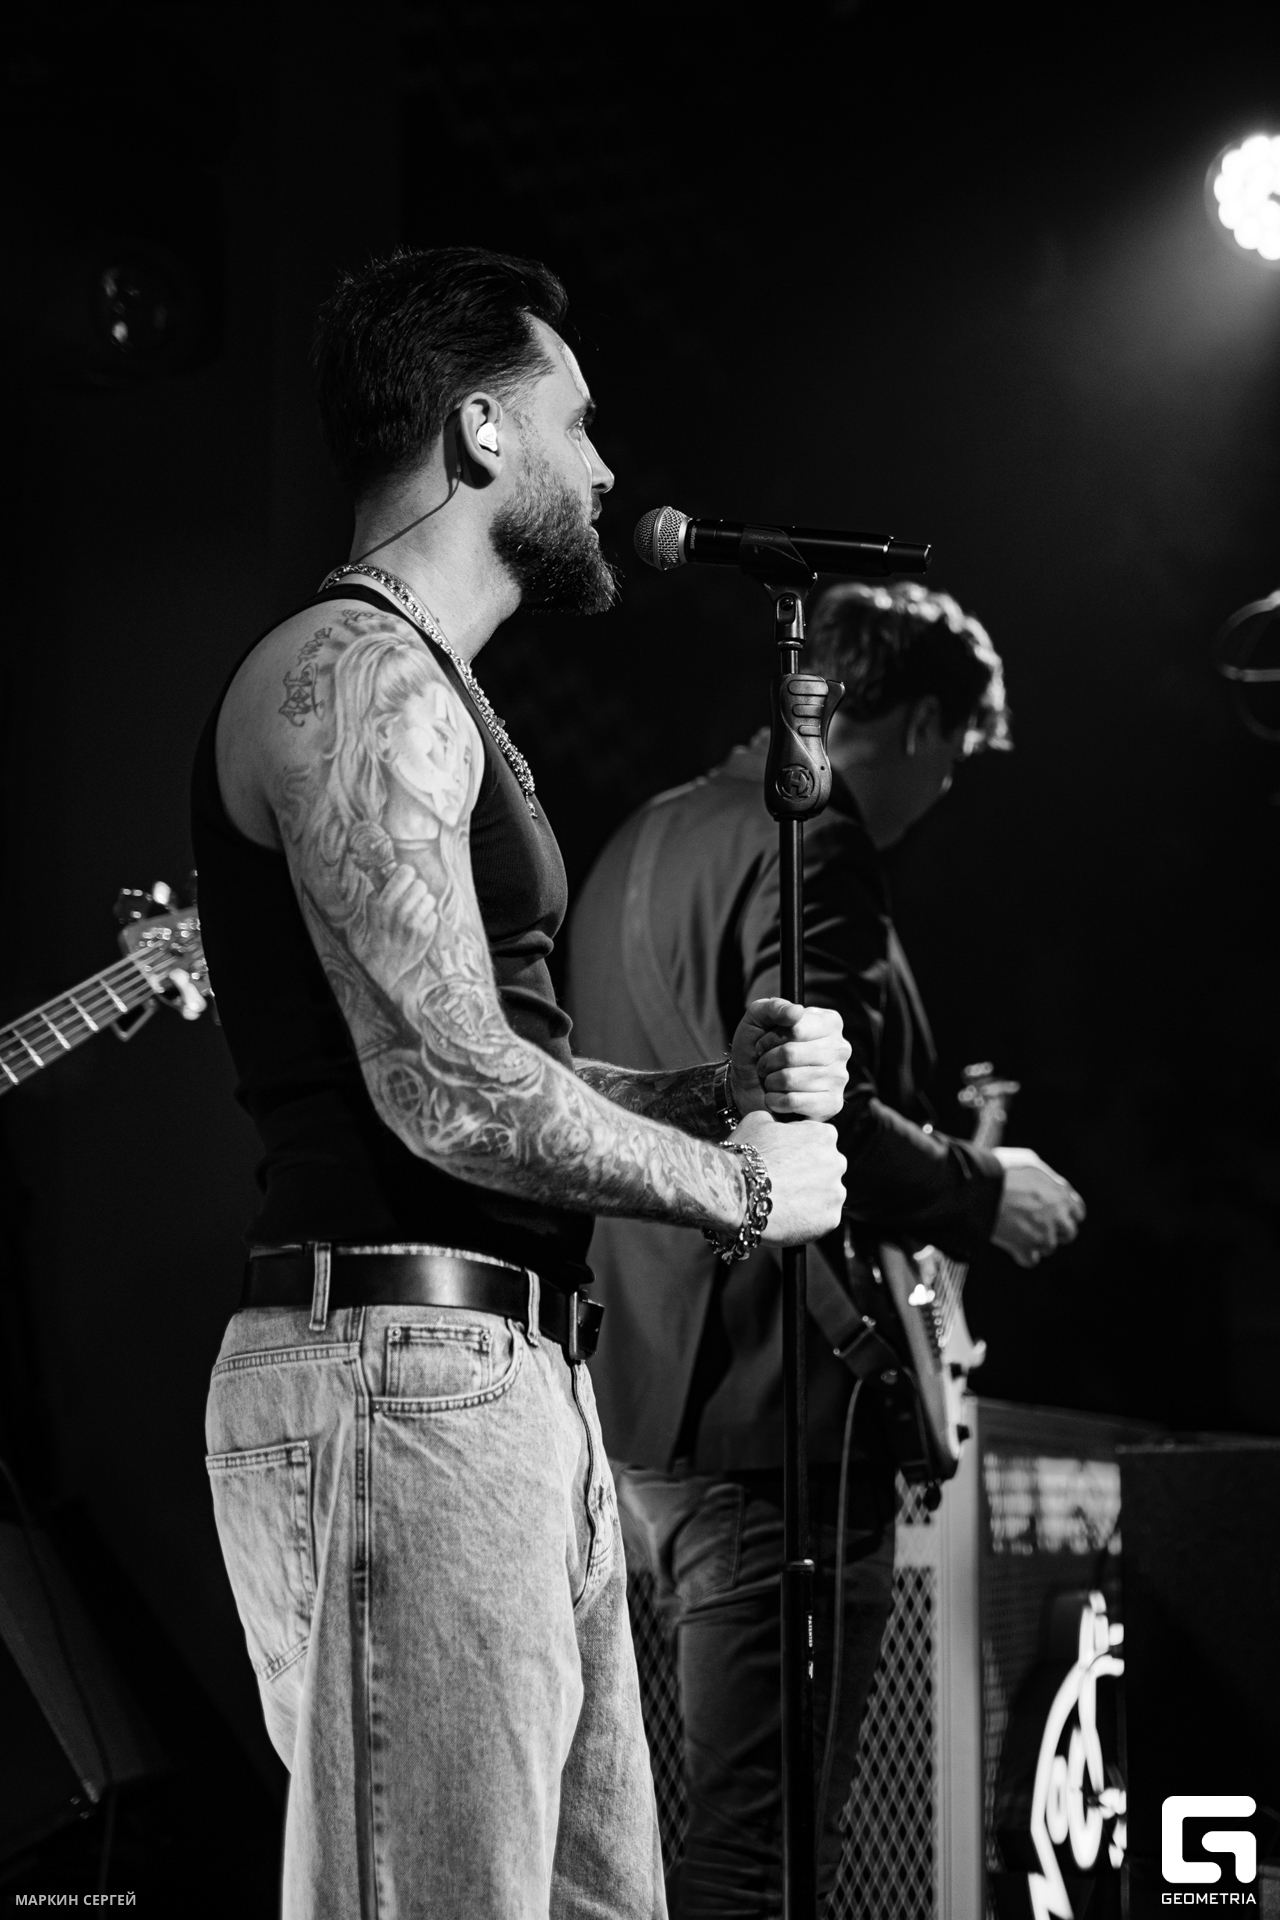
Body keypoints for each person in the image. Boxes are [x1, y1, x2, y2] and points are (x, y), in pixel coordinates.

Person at [189, 246, 853, 1920]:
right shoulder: (354, 675)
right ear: (482, 431)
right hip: (401, 1371)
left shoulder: (430, 684)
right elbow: (442, 1084)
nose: (607, 468)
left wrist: (701, 1092)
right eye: (579, 420)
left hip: (494, 1379)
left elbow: (499, 1058)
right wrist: (743, 1188)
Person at [566, 580, 1086, 1919]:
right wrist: (984, 1188)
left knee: (674, 1835)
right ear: (919, 724)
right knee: (769, 1854)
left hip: (634, 1406)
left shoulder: (647, 831)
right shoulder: (820, 840)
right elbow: (818, 1105)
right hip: (772, 1417)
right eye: (958, 756)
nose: (948, 790)